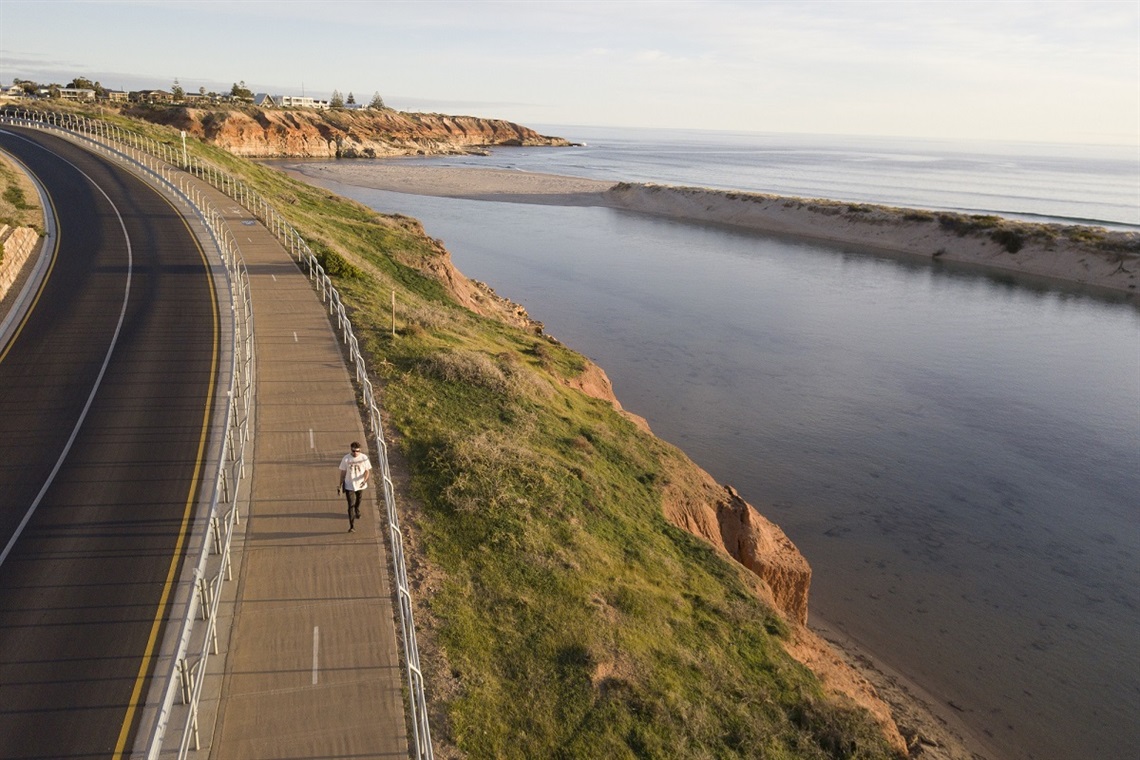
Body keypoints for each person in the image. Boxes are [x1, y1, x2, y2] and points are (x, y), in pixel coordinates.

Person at [338, 441, 372, 532]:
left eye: (357, 451)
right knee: (350, 505)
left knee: (359, 499)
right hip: (349, 485)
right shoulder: (346, 459)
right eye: (353, 451)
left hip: (360, 484)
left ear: (360, 450)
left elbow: (367, 471)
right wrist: (340, 484)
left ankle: (357, 509)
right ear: (351, 450)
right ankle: (352, 526)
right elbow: (343, 473)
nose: (355, 453)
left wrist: (364, 480)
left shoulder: (364, 458)